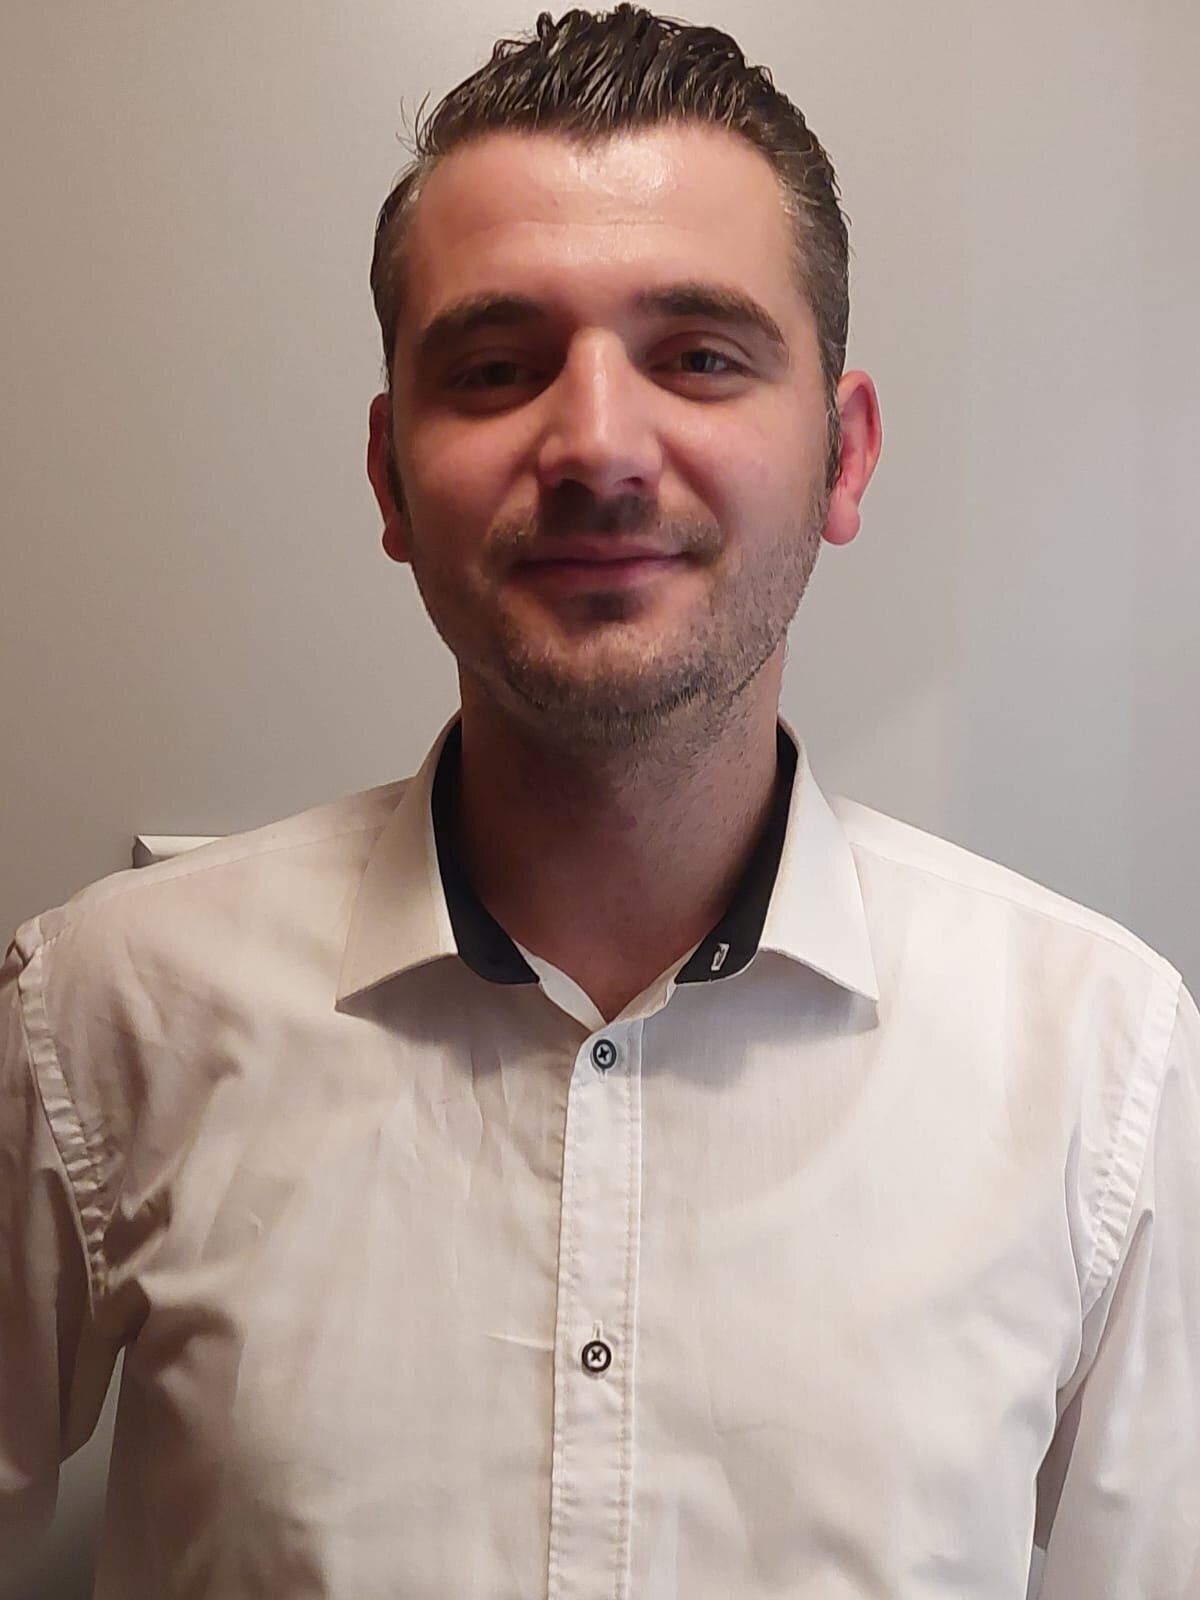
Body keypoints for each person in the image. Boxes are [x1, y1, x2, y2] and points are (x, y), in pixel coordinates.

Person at [2, 4, 1197, 1595]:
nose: (596, 446)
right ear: (389, 476)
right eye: (497, 368)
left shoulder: (1102, 1066)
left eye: (699, 356)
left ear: (844, 458)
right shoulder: (102, 1014)